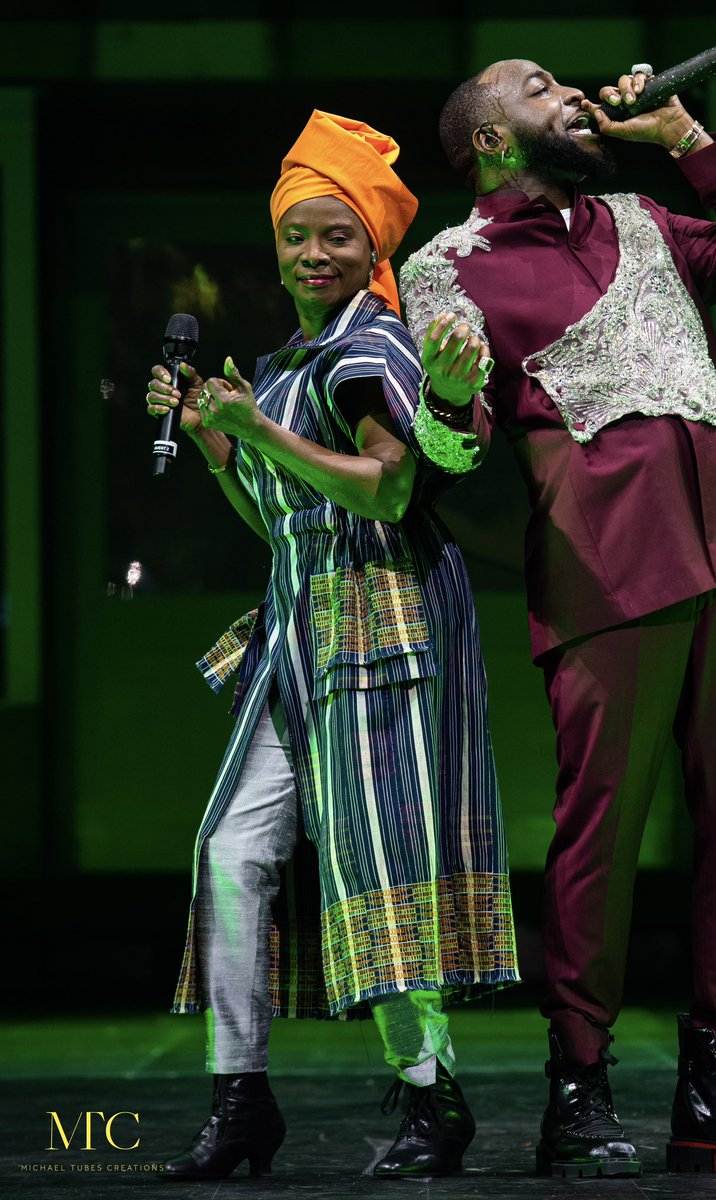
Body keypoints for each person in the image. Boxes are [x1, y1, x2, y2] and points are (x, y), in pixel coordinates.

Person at [399, 61, 716, 1179]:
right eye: (537, 85)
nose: (568, 93)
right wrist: (450, 398)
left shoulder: (641, 216)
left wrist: (682, 130)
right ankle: (577, 1090)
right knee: (599, 836)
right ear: (490, 139)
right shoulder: (446, 266)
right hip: (605, 560)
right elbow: (449, 455)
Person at [145, 108, 519, 1181]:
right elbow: (286, 523)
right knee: (229, 855)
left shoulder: (367, 348)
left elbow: (391, 487)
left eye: (336, 235)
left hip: (381, 622)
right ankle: (239, 1100)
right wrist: (226, 452)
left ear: (373, 248)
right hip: (296, 627)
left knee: (379, 861)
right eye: (296, 235)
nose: (314, 253)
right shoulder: (281, 360)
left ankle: (429, 1097)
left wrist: (260, 432)